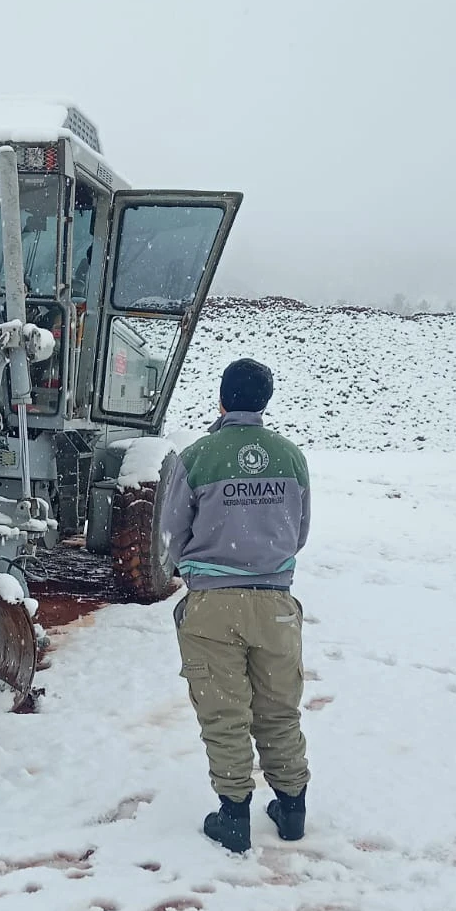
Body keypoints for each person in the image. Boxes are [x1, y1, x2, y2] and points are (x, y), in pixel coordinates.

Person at [158, 358, 311, 854]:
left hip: (212, 607)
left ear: (221, 400)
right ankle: (291, 808)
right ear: (265, 402)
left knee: (224, 713)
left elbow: (171, 529)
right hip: (276, 604)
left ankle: (234, 816)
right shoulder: (290, 457)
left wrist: (199, 568)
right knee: (279, 709)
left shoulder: (197, 456)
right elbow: (300, 531)